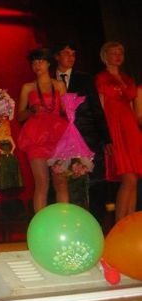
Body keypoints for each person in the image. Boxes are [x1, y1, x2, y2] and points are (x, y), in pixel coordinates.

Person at [52, 43, 112, 221]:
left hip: (87, 136)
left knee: (94, 181)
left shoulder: (85, 79)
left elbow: (96, 108)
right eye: (66, 53)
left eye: (73, 54)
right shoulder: (48, 80)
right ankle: (71, 221)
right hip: (60, 139)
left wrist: (106, 138)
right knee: (66, 181)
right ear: (56, 57)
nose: (71, 57)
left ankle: (96, 222)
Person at [17, 48, 69, 213]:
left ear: (48, 63)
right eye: (34, 62)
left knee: (61, 182)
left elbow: (67, 111)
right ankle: (39, 223)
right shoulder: (28, 87)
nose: (37, 65)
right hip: (36, 137)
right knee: (41, 183)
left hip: (58, 135)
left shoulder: (59, 85)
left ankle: (64, 221)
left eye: (40, 61)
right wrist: (32, 110)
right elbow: (19, 116)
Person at [95, 41, 142, 221]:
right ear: (105, 57)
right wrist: (105, 135)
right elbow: (100, 108)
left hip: (130, 130)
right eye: (113, 53)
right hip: (114, 129)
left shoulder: (128, 79)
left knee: (134, 179)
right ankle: (120, 224)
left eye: (120, 53)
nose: (118, 56)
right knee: (128, 178)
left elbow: (132, 108)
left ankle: (129, 223)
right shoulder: (101, 78)